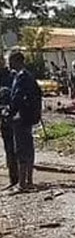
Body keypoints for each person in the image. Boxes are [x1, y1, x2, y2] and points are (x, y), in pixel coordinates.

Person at [8, 50, 42, 191]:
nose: (9, 63)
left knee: (21, 149)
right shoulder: (28, 76)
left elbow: (17, 97)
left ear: (16, 61)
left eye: (10, 60)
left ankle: (23, 183)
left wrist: (9, 111)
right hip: (28, 117)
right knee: (28, 148)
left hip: (21, 118)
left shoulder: (21, 77)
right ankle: (28, 180)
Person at [0, 57, 16, 190]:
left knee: (15, 148)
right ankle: (14, 178)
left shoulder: (12, 76)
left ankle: (19, 179)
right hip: (4, 119)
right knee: (9, 148)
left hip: (14, 117)